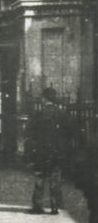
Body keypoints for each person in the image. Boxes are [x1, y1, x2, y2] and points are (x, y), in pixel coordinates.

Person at [25, 87, 69, 215]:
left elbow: (30, 131)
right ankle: (55, 206)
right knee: (55, 179)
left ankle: (38, 205)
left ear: (44, 99)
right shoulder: (62, 114)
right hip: (57, 152)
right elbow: (69, 133)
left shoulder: (39, 114)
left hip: (42, 151)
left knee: (40, 177)